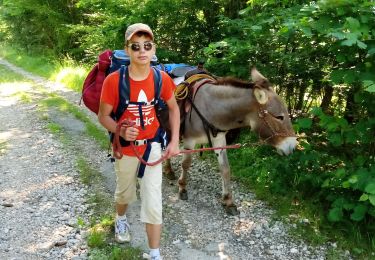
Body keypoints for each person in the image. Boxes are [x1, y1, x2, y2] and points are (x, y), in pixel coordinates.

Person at [98, 23, 180, 260]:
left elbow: (173, 109)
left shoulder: (162, 79)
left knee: (153, 202)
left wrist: (174, 142)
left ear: (154, 49)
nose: (142, 51)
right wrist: (120, 132)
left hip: (153, 146)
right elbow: (103, 115)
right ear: (127, 50)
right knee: (124, 194)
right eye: (136, 46)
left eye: (147, 45)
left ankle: (154, 254)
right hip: (126, 149)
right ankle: (120, 218)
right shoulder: (114, 81)